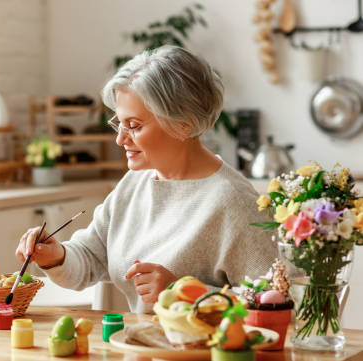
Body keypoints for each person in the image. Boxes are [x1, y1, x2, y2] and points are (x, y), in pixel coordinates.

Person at [16, 45, 277, 313]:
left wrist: (185, 292)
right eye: (119, 123)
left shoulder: (234, 202)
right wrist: (55, 256)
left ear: (183, 124)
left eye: (134, 126)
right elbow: (91, 258)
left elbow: (274, 302)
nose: (120, 138)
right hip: (133, 350)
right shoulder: (135, 182)